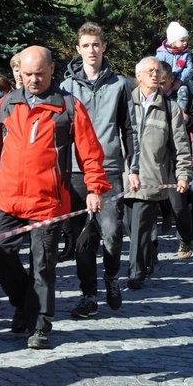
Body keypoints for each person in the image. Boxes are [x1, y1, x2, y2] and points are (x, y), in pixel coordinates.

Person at [0, 45, 111, 349]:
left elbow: (90, 152)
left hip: (48, 200)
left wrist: (95, 188)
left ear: (52, 70)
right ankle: (25, 304)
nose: (33, 79)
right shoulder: (6, 105)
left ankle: (39, 324)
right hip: (6, 197)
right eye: (27, 74)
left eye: (39, 73)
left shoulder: (68, 106)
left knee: (43, 265)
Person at [60, 22, 133, 318]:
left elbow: (129, 129)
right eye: (86, 45)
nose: (91, 50)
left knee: (113, 232)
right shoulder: (65, 87)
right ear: (78, 49)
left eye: (96, 45)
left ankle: (112, 277)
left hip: (109, 168)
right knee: (83, 239)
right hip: (76, 171)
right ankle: (88, 294)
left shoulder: (119, 85)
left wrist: (134, 167)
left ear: (104, 47)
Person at [124, 57, 192, 289]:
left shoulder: (170, 108)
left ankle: (135, 273)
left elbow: (181, 146)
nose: (155, 74)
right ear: (139, 76)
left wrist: (183, 175)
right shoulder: (124, 102)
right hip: (124, 176)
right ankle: (149, 253)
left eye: (157, 71)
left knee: (141, 224)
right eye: (149, 71)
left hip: (152, 177)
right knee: (129, 225)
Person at [159, 61, 193, 259]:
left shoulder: (184, 97)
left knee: (179, 203)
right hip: (151, 158)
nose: (158, 86)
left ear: (171, 80)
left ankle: (186, 239)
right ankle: (148, 249)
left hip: (176, 156)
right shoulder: (145, 98)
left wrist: (188, 120)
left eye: (162, 82)